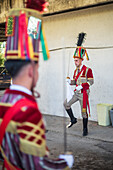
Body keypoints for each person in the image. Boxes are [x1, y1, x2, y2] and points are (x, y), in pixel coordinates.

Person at [0, 2, 73, 170]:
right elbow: (39, 166)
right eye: (37, 68)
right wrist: (66, 163)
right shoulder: (28, 111)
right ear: (32, 71)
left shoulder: (4, 100)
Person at [64, 33, 94, 136]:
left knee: (84, 112)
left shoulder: (87, 70)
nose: (75, 62)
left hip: (84, 93)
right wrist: (70, 82)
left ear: (81, 60)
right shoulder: (76, 71)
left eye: (76, 60)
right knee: (66, 104)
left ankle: (85, 129)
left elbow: (91, 82)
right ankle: (73, 119)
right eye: (74, 61)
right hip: (76, 93)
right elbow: (76, 82)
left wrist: (83, 85)